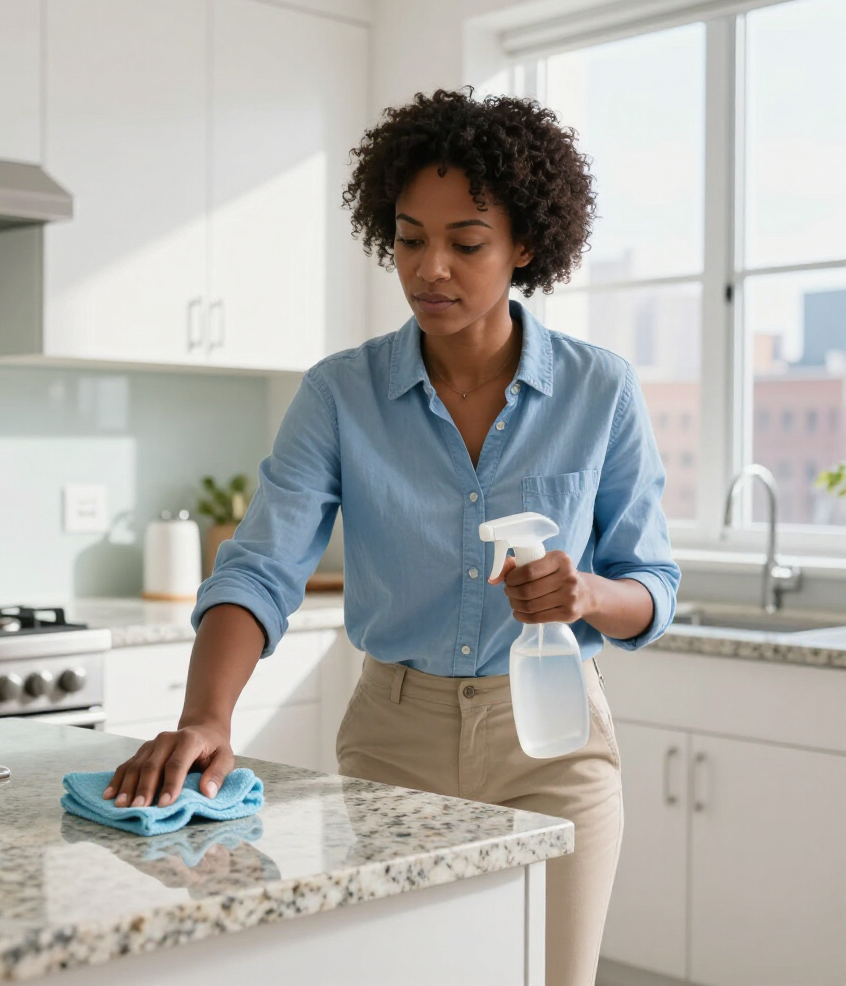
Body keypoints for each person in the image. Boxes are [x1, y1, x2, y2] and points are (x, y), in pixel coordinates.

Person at [104, 88, 681, 985]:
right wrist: (207, 717)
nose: (431, 269)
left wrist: (588, 595)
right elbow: (261, 566)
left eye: (467, 242)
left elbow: (652, 584)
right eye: (411, 238)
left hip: (554, 739)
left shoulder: (600, 389)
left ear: (525, 245)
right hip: (391, 743)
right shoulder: (340, 394)